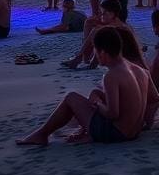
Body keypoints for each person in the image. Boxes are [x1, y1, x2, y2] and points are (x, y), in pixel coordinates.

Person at [17, 27, 158, 147]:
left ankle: (41, 135)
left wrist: (97, 103)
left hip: (117, 135)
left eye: (95, 52)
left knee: (71, 98)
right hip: (134, 133)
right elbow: (147, 99)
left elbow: (112, 114)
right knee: (94, 96)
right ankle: (83, 131)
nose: (95, 56)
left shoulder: (112, 75)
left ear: (102, 52)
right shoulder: (140, 71)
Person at [60, 0, 141, 69]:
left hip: (125, 56)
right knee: (91, 23)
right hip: (120, 52)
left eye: (104, 13)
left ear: (112, 14)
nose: (102, 15)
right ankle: (84, 57)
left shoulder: (119, 26)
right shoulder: (116, 23)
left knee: (97, 30)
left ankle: (81, 59)